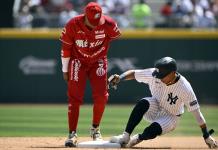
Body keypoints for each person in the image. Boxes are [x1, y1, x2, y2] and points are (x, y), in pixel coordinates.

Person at [108, 57, 218, 149]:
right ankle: (125, 136)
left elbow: (197, 114)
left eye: (162, 76)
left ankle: (137, 138)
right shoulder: (154, 74)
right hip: (155, 106)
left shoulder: (185, 88)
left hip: (171, 116)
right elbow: (134, 73)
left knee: (151, 131)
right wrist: (120, 78)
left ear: (173, 73)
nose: (159, 78)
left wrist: (206, 135)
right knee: (143, 102)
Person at [60, 2, 121, 147]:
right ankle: (72, 134)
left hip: (98, 61)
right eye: (92, 21)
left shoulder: (108, 24)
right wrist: (65, 69)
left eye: (97, 21)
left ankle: (95, 128)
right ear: (84, 16)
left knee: (102, 95)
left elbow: (115, 36)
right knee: (75, 97)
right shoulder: (73, 24)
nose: (95, 24)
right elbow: (66, 48)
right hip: (78, 61)